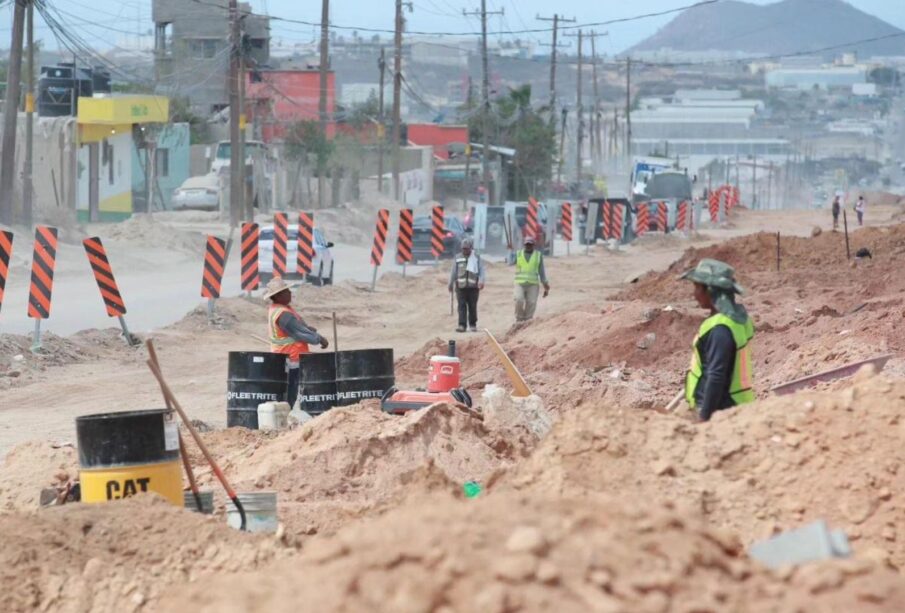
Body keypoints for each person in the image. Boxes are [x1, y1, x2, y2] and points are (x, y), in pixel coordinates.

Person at [681, 259, 755, 422]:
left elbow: (716, 375)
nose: (694, 294)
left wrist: (704, 417)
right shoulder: (733, 320)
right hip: (732, 406)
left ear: (710, 290)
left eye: (697, 288)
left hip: (721, 411)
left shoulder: (720, 329)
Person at [264, 277, 329, 409]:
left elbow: (298, 327)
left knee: (292, 391)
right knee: (292, 392)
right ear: (277, 296)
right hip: (291, 357)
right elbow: (298, 333)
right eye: (286, 291)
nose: (289, 293)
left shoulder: (281, 309)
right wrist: (319, 338)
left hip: (288, 356)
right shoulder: (283, 314)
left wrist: (308, 329)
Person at [448, 237, 485, 332]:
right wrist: (450, 283)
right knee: (461, 306)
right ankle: (462, 325)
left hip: (473, 287)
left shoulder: (476, 258)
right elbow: (453, 272)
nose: (465, 250)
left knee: (472, 306)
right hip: (460, 287)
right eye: (463, 248)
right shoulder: (457, 258)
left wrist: (481, 281)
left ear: (471, 248)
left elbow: (481, 271)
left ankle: (472, 324)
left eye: (467, 248)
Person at [514, 235, 550, 322]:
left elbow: (541, 271)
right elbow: (509, 261)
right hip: (520, 283)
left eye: (530, 244)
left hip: (533, 284)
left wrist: (545, 284)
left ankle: (527, 320)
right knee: (519, 300)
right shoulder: (518, 254)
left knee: (531, 302)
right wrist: (509, 250)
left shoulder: (538, 255)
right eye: (527, 244)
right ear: (524, 245)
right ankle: (519, 319)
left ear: (534, 245)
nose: (528, 246)